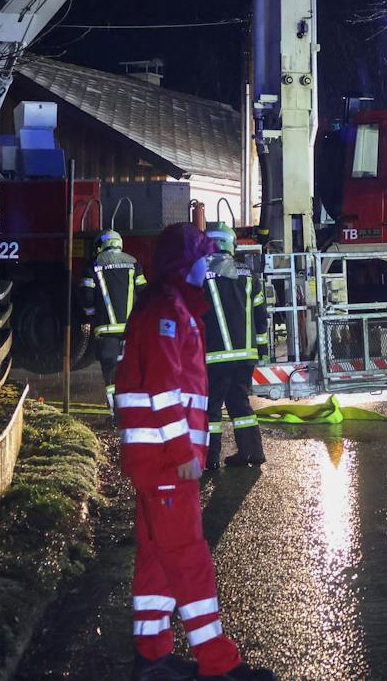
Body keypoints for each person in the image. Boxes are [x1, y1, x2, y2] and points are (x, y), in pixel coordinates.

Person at [113, 223, 275, 681]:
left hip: (153, 460)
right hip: (166, 460)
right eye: (201, 257)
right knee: (188, 558)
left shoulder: (166, 308)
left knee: (156, 557)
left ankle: (152, 657)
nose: (208, 265)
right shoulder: (168, 311)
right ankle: (219, 664)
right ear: (183, 265)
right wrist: (185, 450)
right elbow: (164, 386)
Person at [201, 222, 269, 469]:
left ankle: (210, 460)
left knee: (211, 408)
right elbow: (261, 316)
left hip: (215, 356)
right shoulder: (248, 274)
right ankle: (252, 453)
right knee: (240, 403)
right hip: (245, 356)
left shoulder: (200, 273)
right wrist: (261, 350)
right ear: (231, 244)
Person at [82, 229, 145, 409]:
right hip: (131, 330)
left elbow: (86, 298)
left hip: (106, 331)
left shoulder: (93, 265)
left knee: (111, 375)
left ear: (100, 246)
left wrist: (93, 315)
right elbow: (144, 293)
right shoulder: (134, 264)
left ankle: (116, 415)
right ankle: (135, 412)